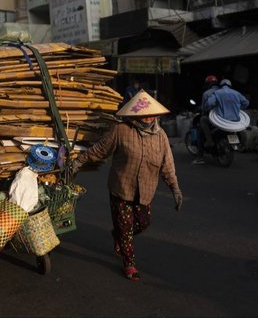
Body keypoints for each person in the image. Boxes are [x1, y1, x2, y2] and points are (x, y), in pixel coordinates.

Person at [71, 89, 183, 281]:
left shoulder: (161, 136)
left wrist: (175, 189)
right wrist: (78, 162)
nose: (147, 118)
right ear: (134, 114)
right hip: (121, 187)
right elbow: (100, 150)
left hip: (145, 191)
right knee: (126, 227)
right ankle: (129, 263)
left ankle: (119, 235)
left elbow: (168, 167)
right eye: (143, 114)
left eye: (150, 114)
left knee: (142, 223)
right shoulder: (121, 130)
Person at [192, 75, 220, 165]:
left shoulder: (207, 93)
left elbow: (204, 108)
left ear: (208, 84)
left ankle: (200, 157)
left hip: (211, 118)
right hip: (223, 118)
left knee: (200, 131)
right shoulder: (222, 92)